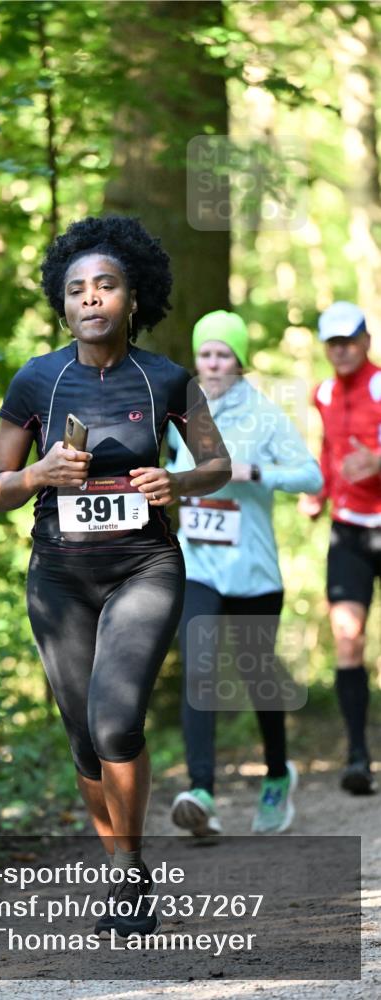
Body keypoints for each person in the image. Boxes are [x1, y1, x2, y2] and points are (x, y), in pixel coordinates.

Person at [0, 215, 231, 938]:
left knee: (116, 723)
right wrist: (39, 473)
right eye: (76, 290)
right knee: (83, 739)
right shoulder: (37, 379)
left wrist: (176, 482)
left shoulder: (166, 378)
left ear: (132, 297)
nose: (90, 298)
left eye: (106, 285)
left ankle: (130, 868)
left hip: (143, 567)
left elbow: (216, 464)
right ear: (62, 304)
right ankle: (122, 867)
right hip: (59, 579)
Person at [166, 310, 323, 836]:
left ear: (239, 361)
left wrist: (252, 471)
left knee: (259, 679)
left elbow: (312, 476)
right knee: (199, 672)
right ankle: (202, 793)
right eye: (205, 353)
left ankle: (277, 775)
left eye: (223, 354)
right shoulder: (183, 412)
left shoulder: (264, 415)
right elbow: (171, 470)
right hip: (199, 565)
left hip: (253, 570)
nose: (212, 363)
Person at [299, 301, 380, 795]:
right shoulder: (324, 393)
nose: (342, 350)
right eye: (333, 343)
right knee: (348, 639)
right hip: (348, 530)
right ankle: (357, 757)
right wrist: (320, 491)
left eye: (349, 340)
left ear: (366, 340)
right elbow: (330, 450)